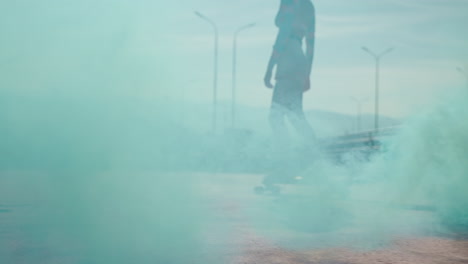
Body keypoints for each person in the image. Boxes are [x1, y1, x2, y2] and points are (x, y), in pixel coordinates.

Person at [264, 0, 316, 148]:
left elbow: (283, 34)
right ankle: (313, 147)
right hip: (300, 59)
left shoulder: (290, 1)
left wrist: (269, 69)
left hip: (287, 54)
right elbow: (311, 43)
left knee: (275, 116)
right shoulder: (309, 5)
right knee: (295, 113)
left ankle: (285, 152)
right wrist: (307, 73)